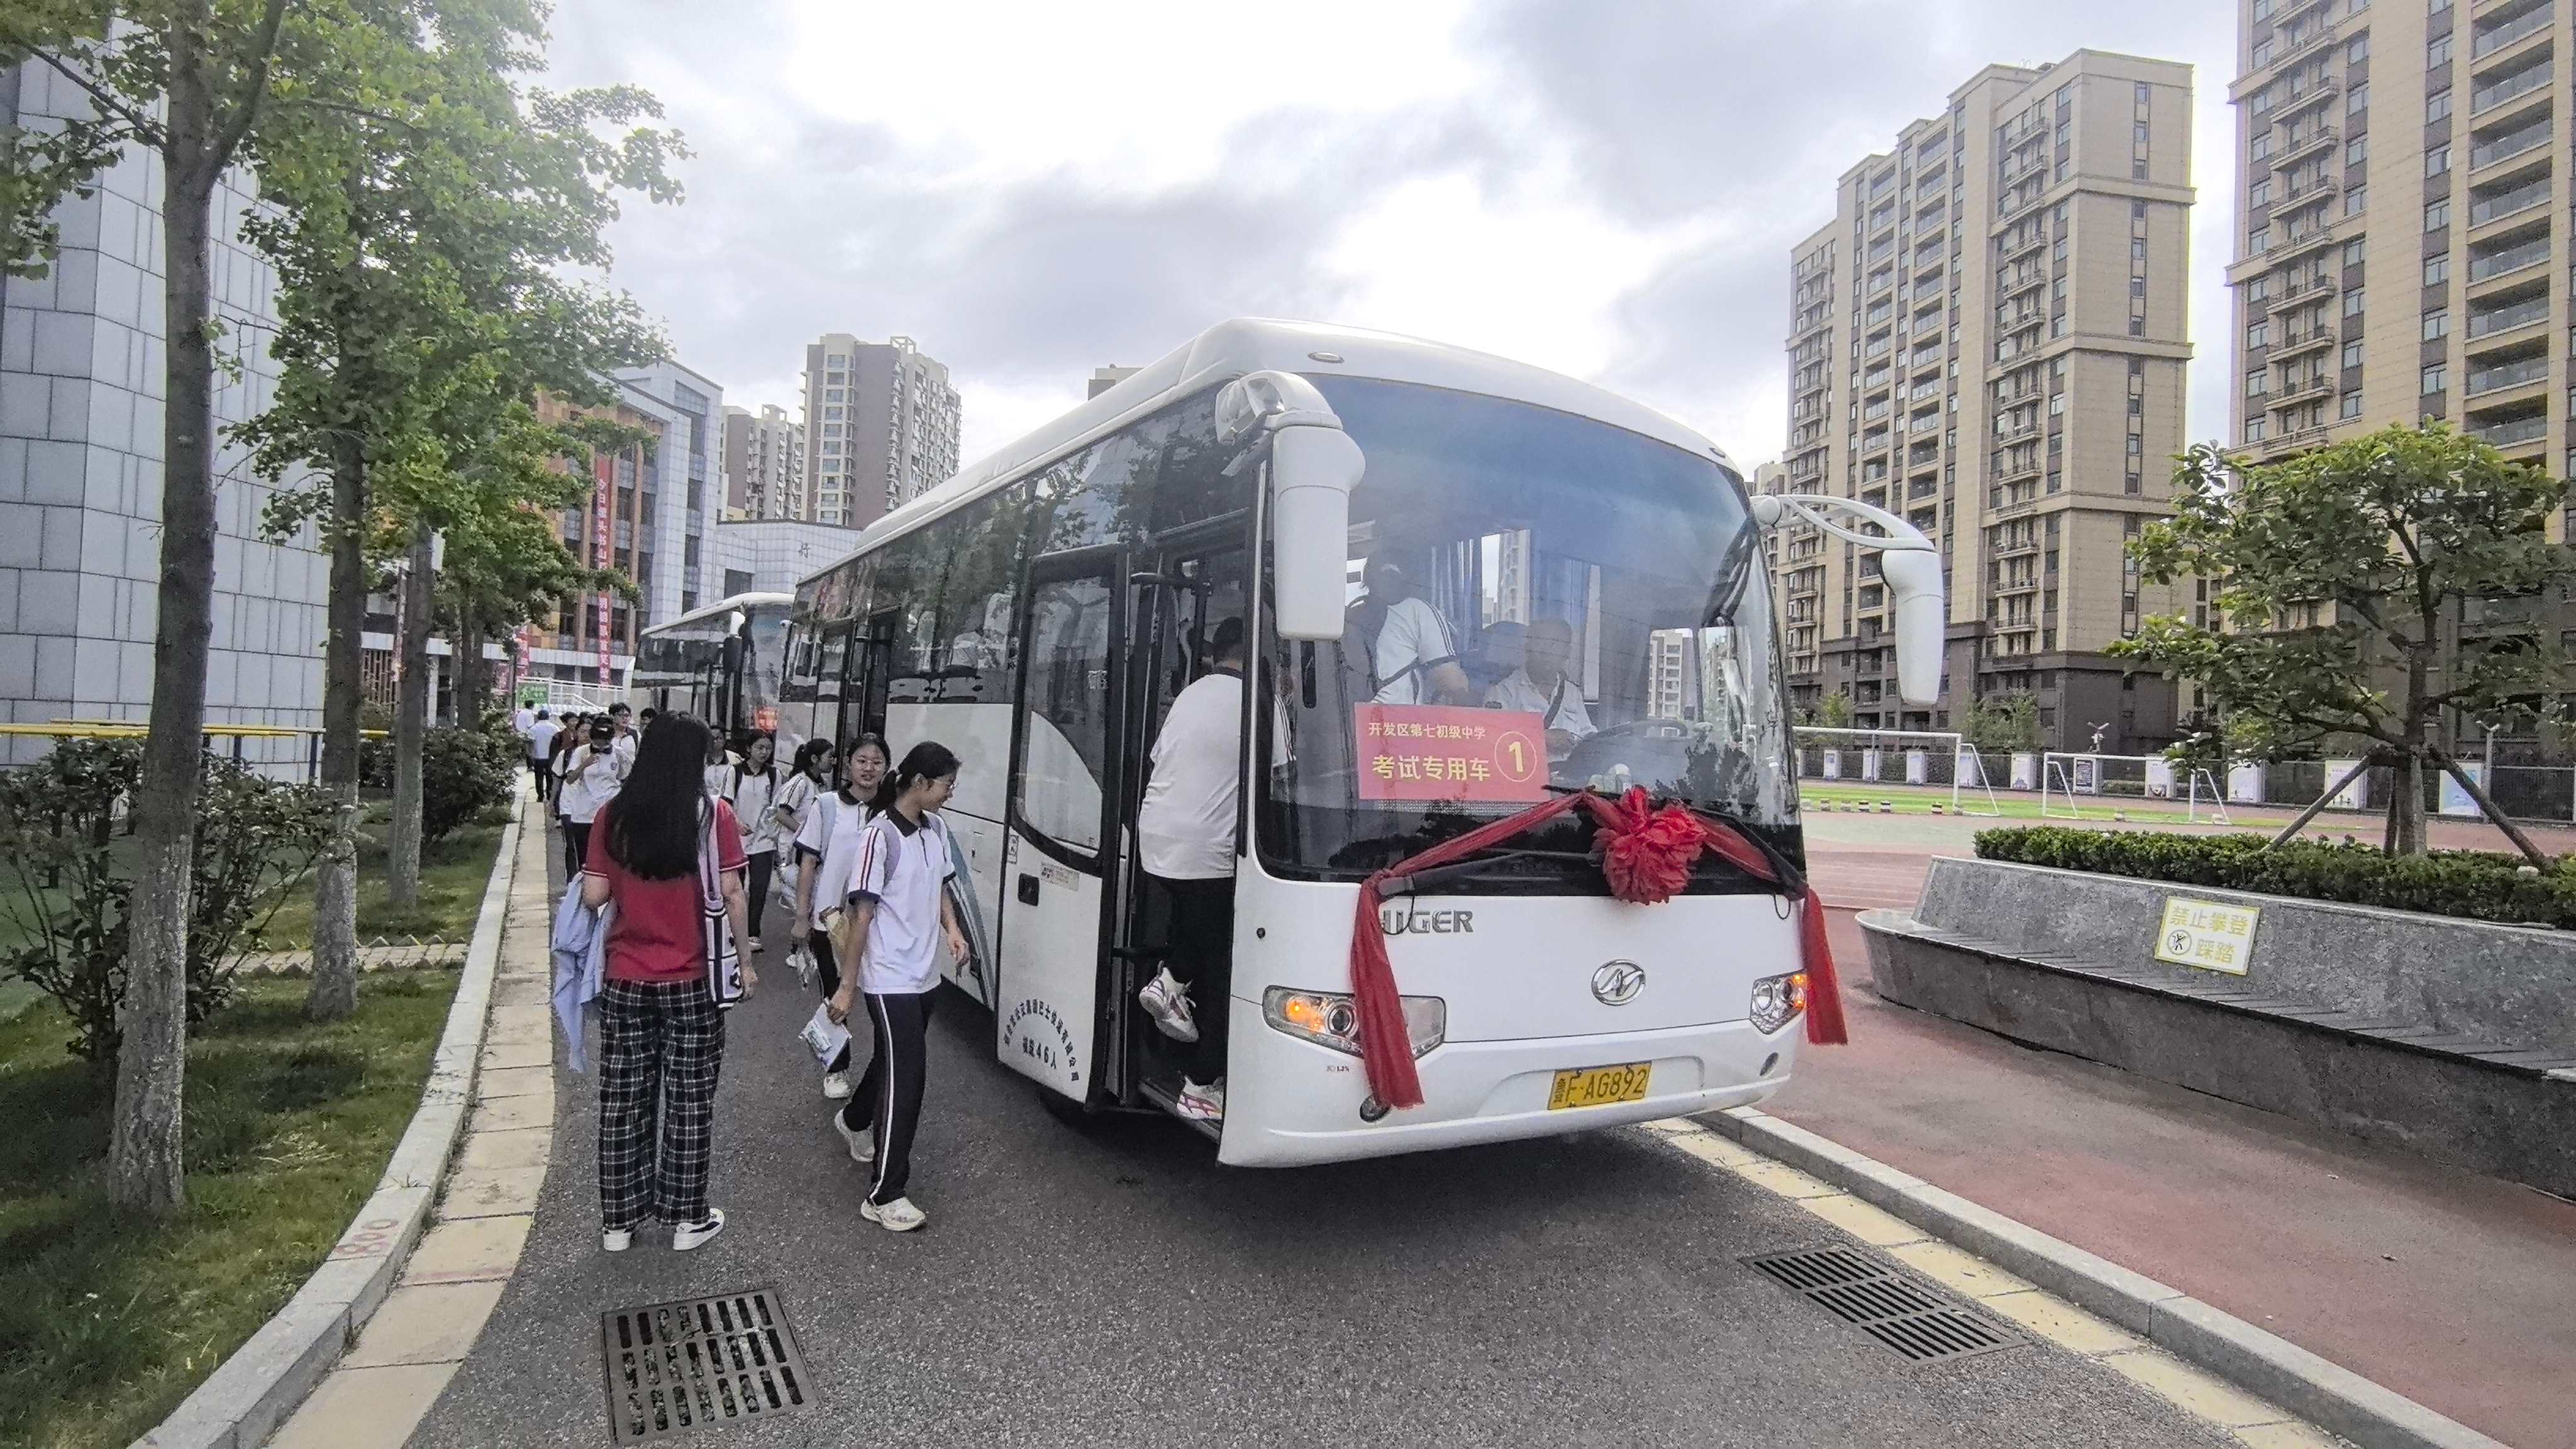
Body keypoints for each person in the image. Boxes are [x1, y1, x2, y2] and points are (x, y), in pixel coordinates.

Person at [580, 711, 757, 1253]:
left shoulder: (613, 816)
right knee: (689, 1100)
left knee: (623, 1100)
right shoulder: (713, 816)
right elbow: (731, 892)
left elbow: (593, 897)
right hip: (693, 982)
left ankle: (619, 1222)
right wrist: (745, 962)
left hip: (626, 979)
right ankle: (686, 1219)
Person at [825, 741, 969, 1234]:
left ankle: (854, 1120)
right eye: (947, 784)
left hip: (925, 973)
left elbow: (942, 885)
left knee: (892, 1060)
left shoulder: (937, 829)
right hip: (887, 977)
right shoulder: (878, 837)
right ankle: (885, 1192)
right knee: (909, 1075)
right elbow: (861, 913)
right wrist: (848, 986)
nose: (952, 793)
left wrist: (951, 928)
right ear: (920, 783)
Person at [1135, 618, 1245, 1122]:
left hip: (1157, 837)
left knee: (1200, 930)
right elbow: (1284, 779)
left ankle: (1173, 982)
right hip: (1207, 851)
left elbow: (1164, 758)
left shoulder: (1191, 694)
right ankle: (1202, 1085)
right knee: (1225, 961)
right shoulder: (1262, 701)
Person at [796, 734, 886, 1099]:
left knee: (880, 995)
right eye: (862, 760)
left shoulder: (891, 811)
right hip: (829, 920)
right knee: (835, 993)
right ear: (848, 763)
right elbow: (809, 863)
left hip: (878, 922)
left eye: (877, 761)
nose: (869, 768)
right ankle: (837, 1067)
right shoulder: (827, 805)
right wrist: (802, 915)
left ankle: (885, 1067)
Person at [1352, 553, 1470, 705]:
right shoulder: (1419, 610)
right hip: (1395, 721)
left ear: (1367, 580)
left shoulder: (1352, 614)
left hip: (1354, 717)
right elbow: (1451, 682)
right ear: (1411, 581)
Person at [1483, 616, 1596, 763]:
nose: (1547, 651)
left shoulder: (1572, 693)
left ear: (1567, 652)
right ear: (1528, 647)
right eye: (1540, 642)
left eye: (1555, 644)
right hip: (1524, 780)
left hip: (1570, 782)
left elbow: (1588, 736)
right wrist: (1541, 738)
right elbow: (1490, 741)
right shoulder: (1502, 690)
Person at [730, 732, 782, 951]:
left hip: (764, 842)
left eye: (768, 748)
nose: (764, 752)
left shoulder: (774, 774)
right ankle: (734, 932)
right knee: (736, 889)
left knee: (760, 887)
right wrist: (738, 823)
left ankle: (753, 933)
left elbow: (777, 806)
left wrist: (772, 834)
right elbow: (726, 803)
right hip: (738, 841)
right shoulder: (735, 772)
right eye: (760, 748)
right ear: (749, 748)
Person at [558, 715, 623, 875]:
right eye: (597, 743)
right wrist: (584, 765)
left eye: (605, 743)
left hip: (608, 812)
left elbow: (625, 778)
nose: (601, 747)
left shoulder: (619, 754)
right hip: (584, 814)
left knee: (609, 856)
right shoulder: (581, 752)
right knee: (584, 858)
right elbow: (570, 779)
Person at [528, 709, 559, 802]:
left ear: (538, 717)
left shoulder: (534, 728)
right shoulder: (555, 728)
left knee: (539, 777)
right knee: (550, 777)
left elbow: (530, 743)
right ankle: (549, 795)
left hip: (538, 757)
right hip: (551, 758)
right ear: (548, 717)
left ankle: (540, 796)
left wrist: (530, 754)